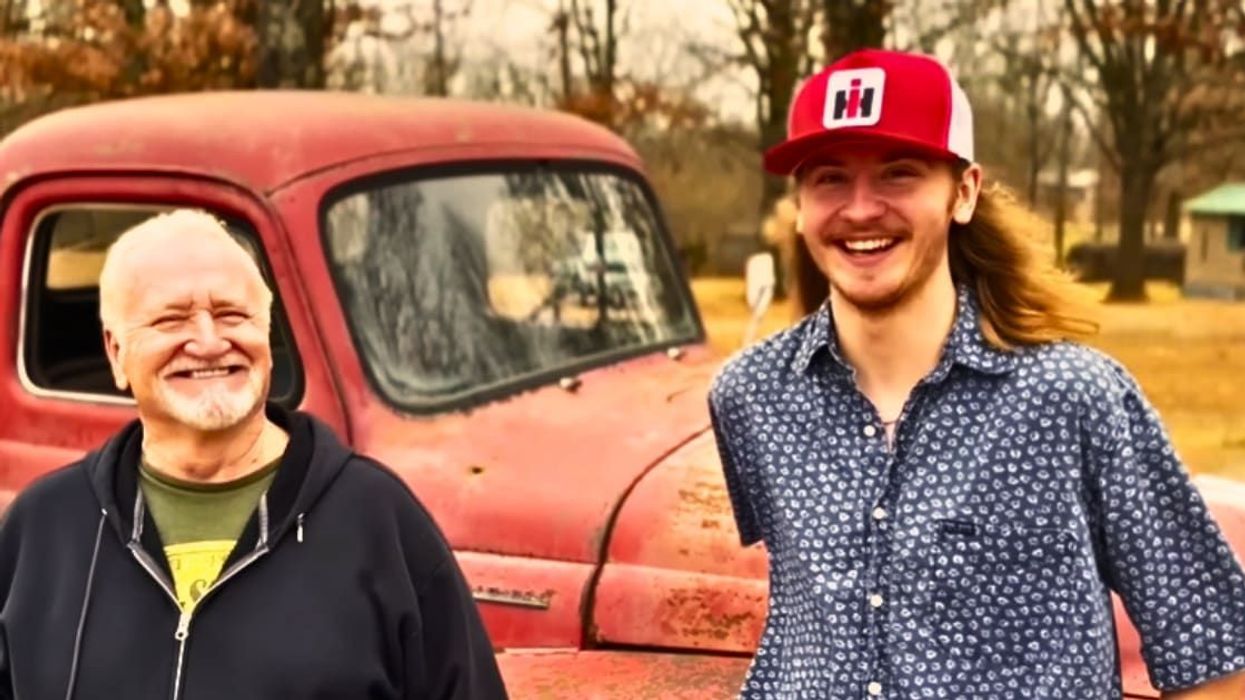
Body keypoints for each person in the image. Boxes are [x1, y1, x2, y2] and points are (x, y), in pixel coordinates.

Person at [709, 49, 1245, 699]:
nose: (858, 209)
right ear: (797, 205)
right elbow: (800, 614)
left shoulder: (1072, 399)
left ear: (962, 193)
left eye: (898, 175)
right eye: (828, 178)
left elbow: (1212, 653)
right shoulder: (750, 397)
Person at [0, 210, 507, 699]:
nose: (208, 341)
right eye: (171, 320)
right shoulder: (44, 529)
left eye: (232, 314)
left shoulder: (378, 520)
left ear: (266, 335)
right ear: (116, 353)